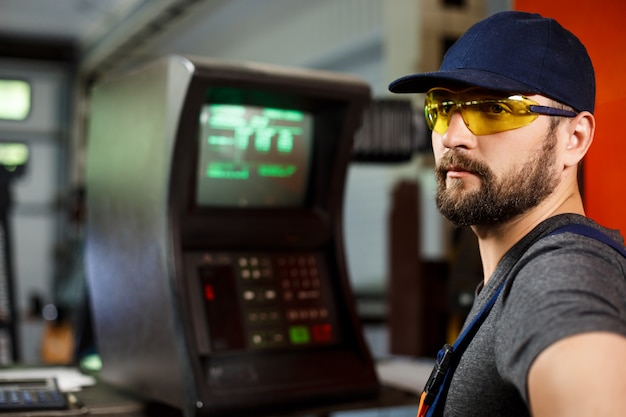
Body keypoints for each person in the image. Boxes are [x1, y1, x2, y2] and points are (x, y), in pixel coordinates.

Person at [388, 11, 626, 417]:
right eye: (442, 107)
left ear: (575, 138)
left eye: (495, 109)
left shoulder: (561, 269)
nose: (452, 137)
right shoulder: (508, 275)